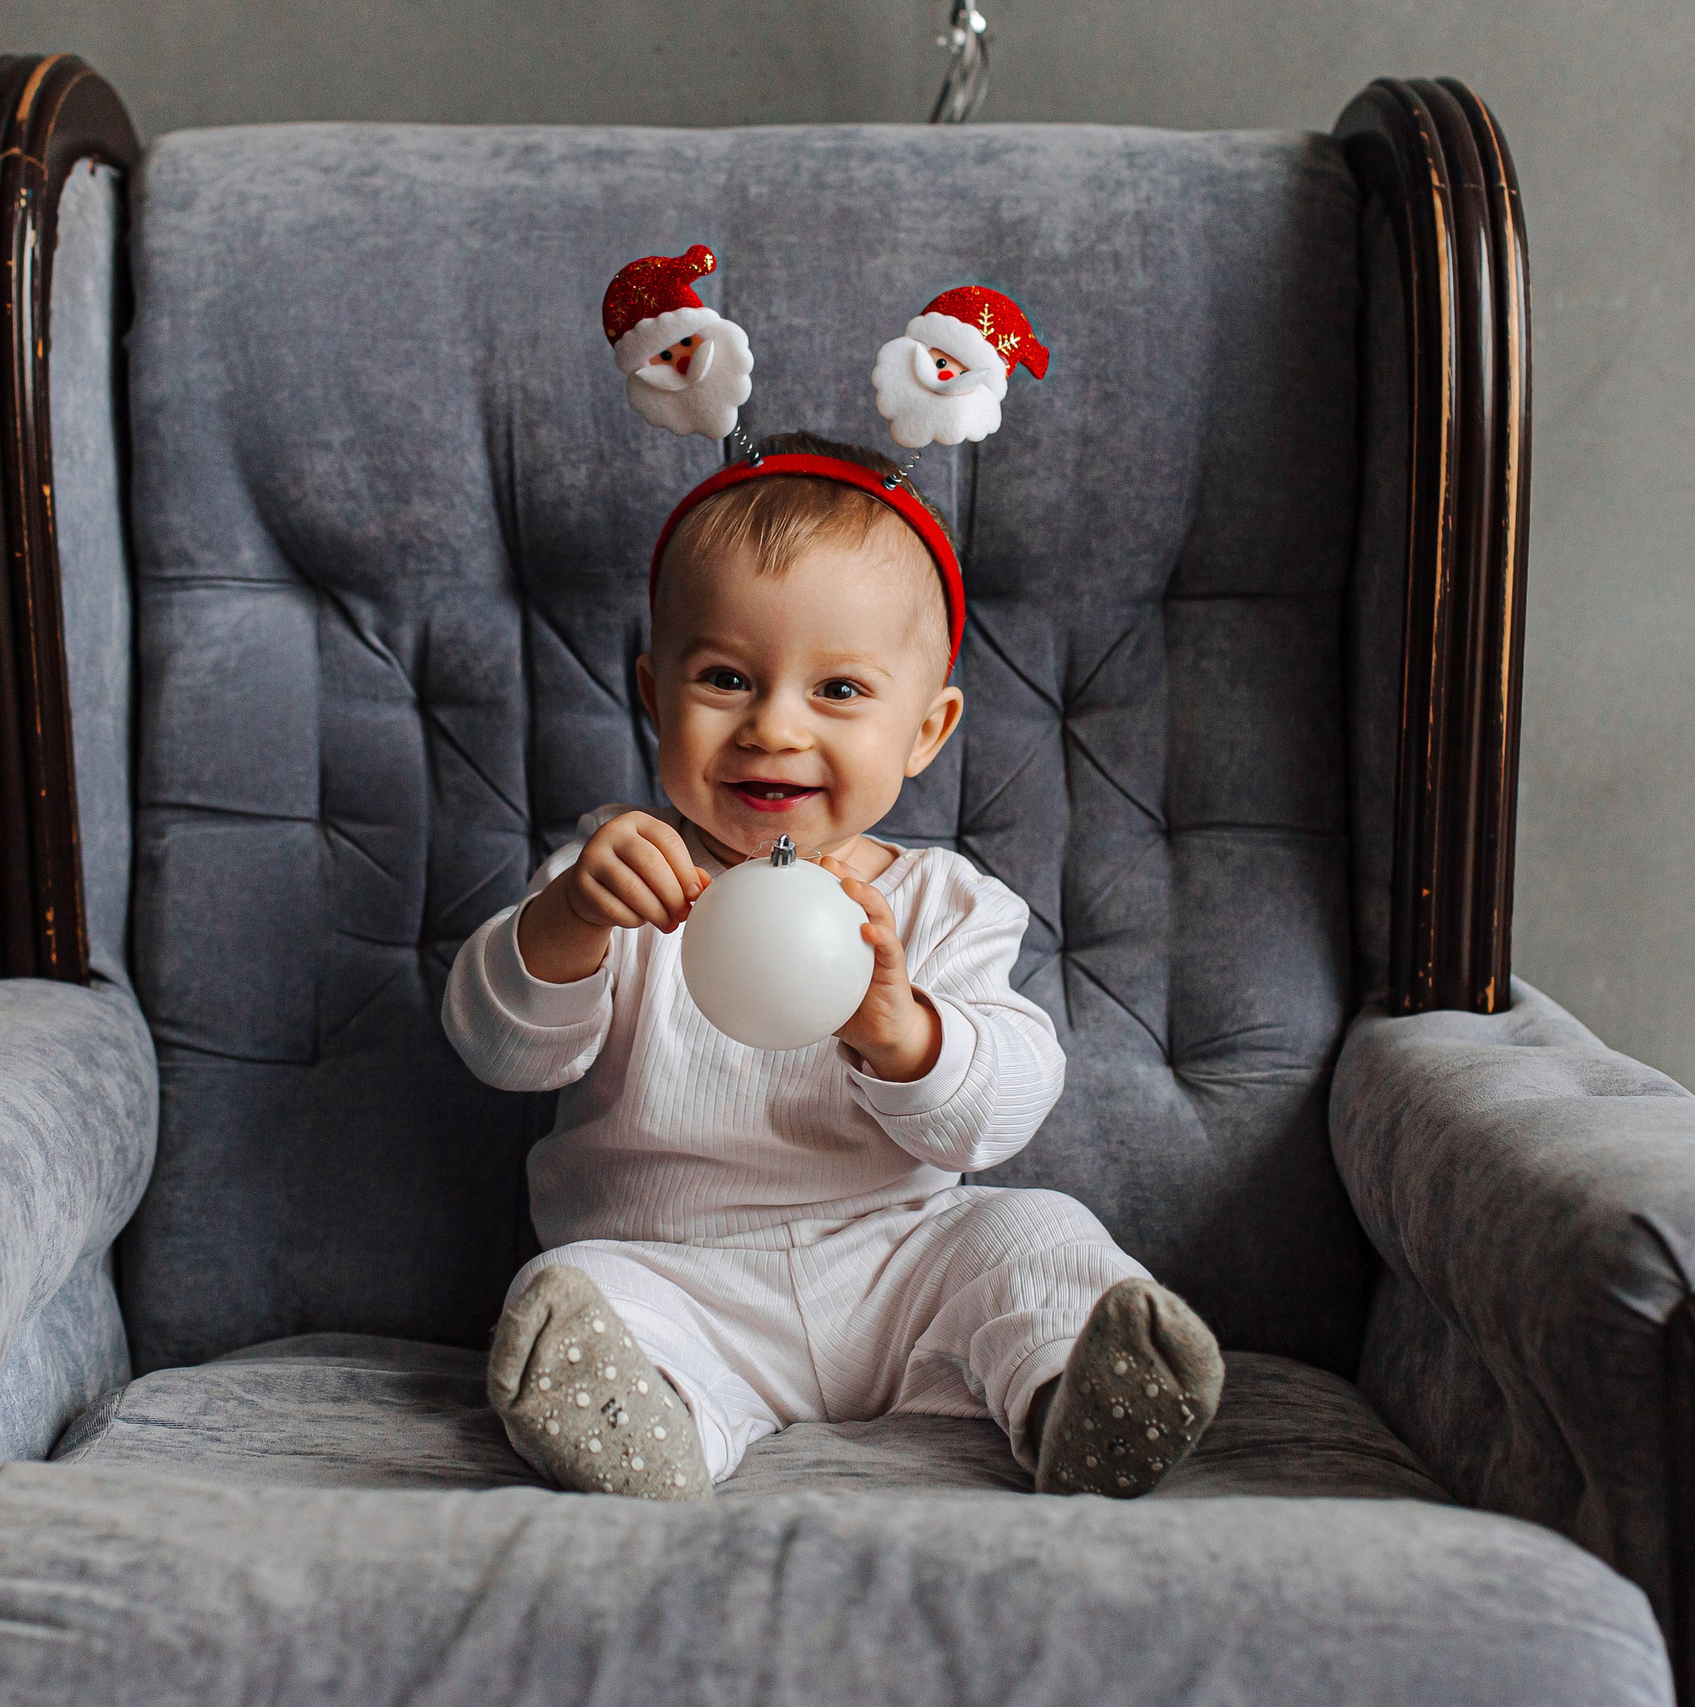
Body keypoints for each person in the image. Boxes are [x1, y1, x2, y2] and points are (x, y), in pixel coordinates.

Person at [441, 423, 1225, 1502]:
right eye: (724, 677)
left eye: (840, 691)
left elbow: (1003, 1108)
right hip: (681, 1273)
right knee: (573, 1286)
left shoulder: (945, 905)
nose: (773, 727)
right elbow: (500, 1052)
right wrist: (568, 923)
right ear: (652, 693)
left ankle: (1066, 1396)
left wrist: (906, 1037)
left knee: (1035, 1232)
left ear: (926, 729)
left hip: (901, 1266)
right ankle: (654, 1423)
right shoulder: (617, 877)